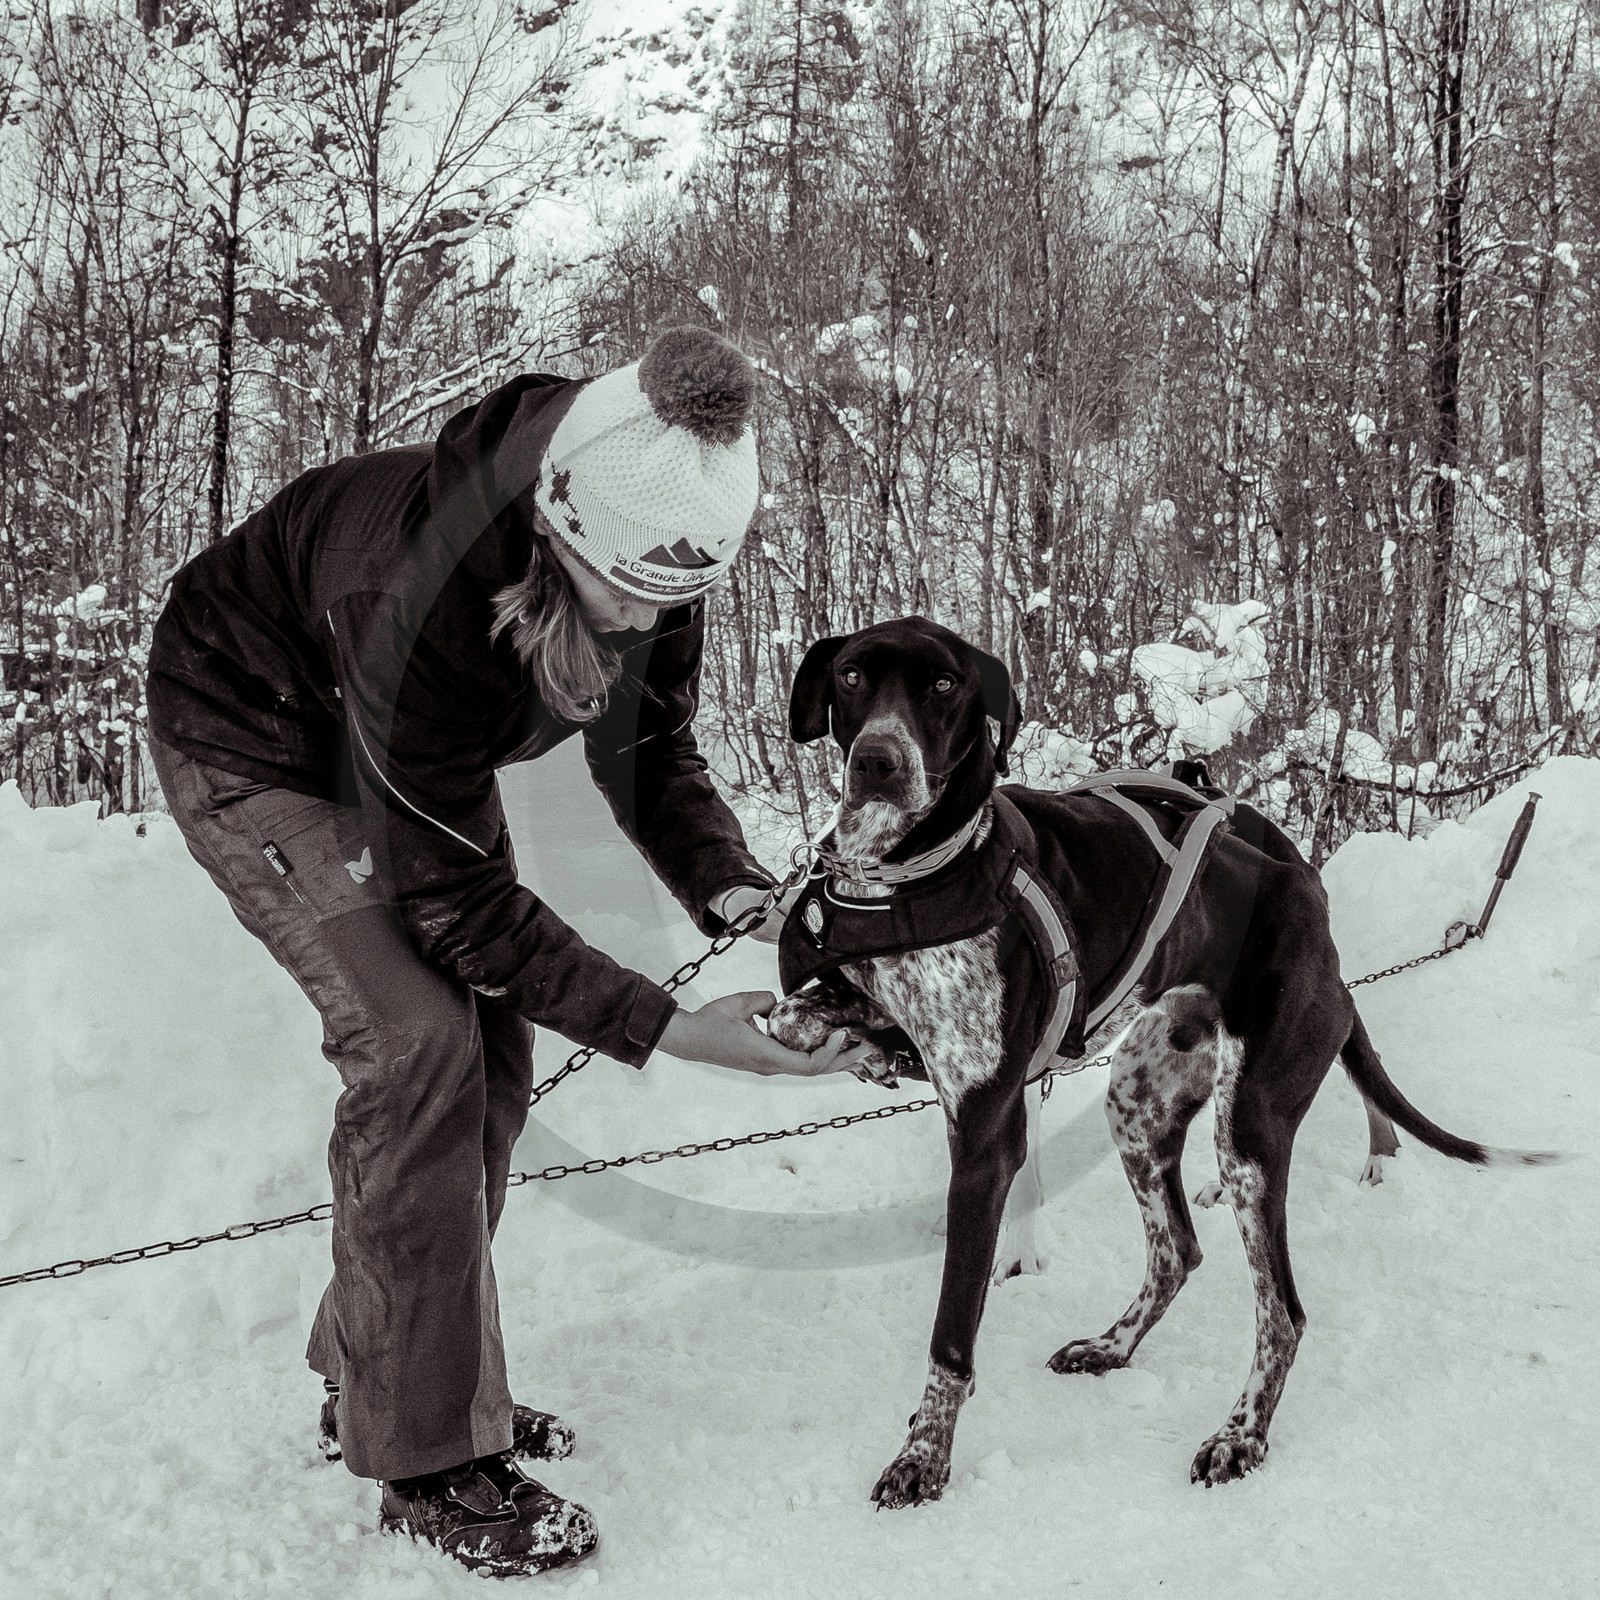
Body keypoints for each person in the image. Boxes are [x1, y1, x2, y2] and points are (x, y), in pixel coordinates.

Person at [144, 327, 864, 1578]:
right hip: (256, 734)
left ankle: (393, 1371)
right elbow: (462, 911)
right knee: (416, 1043)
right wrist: (672, 1028)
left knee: (495, 1048)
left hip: (404, 755)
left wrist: (730, 885)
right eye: (622, 593)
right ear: (552, 530)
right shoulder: (416, 591)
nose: (645, 619)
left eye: (671, 599)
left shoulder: (660, 526)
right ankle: (425, 1456)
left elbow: (650, 746)